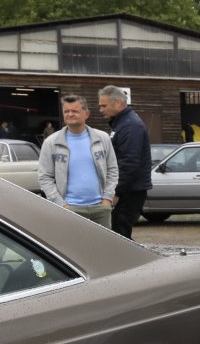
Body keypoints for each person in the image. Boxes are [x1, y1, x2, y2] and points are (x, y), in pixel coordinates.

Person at [36, 95, 118, 227]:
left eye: (75, 111)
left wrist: (107, 198)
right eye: (66, 111)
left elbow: (113, 169)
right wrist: (60, 204)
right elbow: (45, 177)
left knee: (102, 241)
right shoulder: (51, 142)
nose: (70, 114)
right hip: (69, 210)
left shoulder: (102, 139)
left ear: (86, 114)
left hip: (100, 209)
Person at [97, 85, 153, 239]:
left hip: (129, 191)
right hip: (126, 189)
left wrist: (115, 191)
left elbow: (129, 163)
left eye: (104, 106)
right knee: (116, 231)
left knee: (119, 233)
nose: (100, 110)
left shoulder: (130, 125)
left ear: (118, 103)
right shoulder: (121, 124)